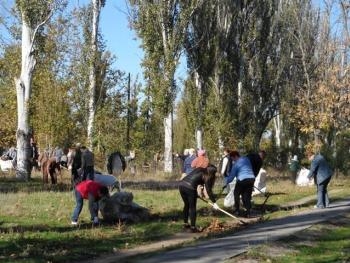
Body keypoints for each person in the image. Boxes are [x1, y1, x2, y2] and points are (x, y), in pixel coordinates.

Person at [179, 165, 219, 232]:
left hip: (182, 185)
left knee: (186, 205)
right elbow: (208, 190)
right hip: (190, 188)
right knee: (192, 207)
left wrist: (195, 194)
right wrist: (214, 202)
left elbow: (194, 179)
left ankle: (185, 224)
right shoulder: (207, 176)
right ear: (212, 173)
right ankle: (193, 227)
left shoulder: (200, 168)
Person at [226, 150, 266, 217]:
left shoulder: (236, 164)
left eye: (232, 158)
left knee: (236, 193)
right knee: (246, 196)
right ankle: (248, 212)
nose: (232, 160)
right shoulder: (246, 159)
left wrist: (227, 182)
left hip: (242, 179)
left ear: (235, 156)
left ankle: (237, 210)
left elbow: (232, 175)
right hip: (251, 178)